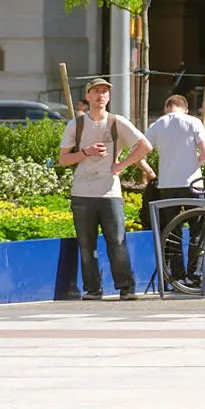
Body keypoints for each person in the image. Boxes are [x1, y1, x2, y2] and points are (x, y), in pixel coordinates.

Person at [59, 77, 149, 300]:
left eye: (104, 91)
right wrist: (86, 152)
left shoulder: (117, 122)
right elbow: (63, 160)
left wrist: (121, 165)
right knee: (86, 245)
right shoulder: (76, 125)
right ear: (87, 96)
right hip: (82, 193)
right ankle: (93, 289)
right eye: (96, 91)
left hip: (110, 192)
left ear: (109, 97)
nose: (101, 95)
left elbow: (144, 146)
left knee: (117, 242)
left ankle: (126, 288)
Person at [142, 92, 205, 237]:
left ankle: (173, 253)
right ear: (186, 109)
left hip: (167, 184)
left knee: (172, 232)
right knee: (197, 231)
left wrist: (149, 171)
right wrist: (193, 164)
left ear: (165, 108)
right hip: (193, 183)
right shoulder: (193, 122)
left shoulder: (157, 125)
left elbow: (139, 153)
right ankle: (196, 253)